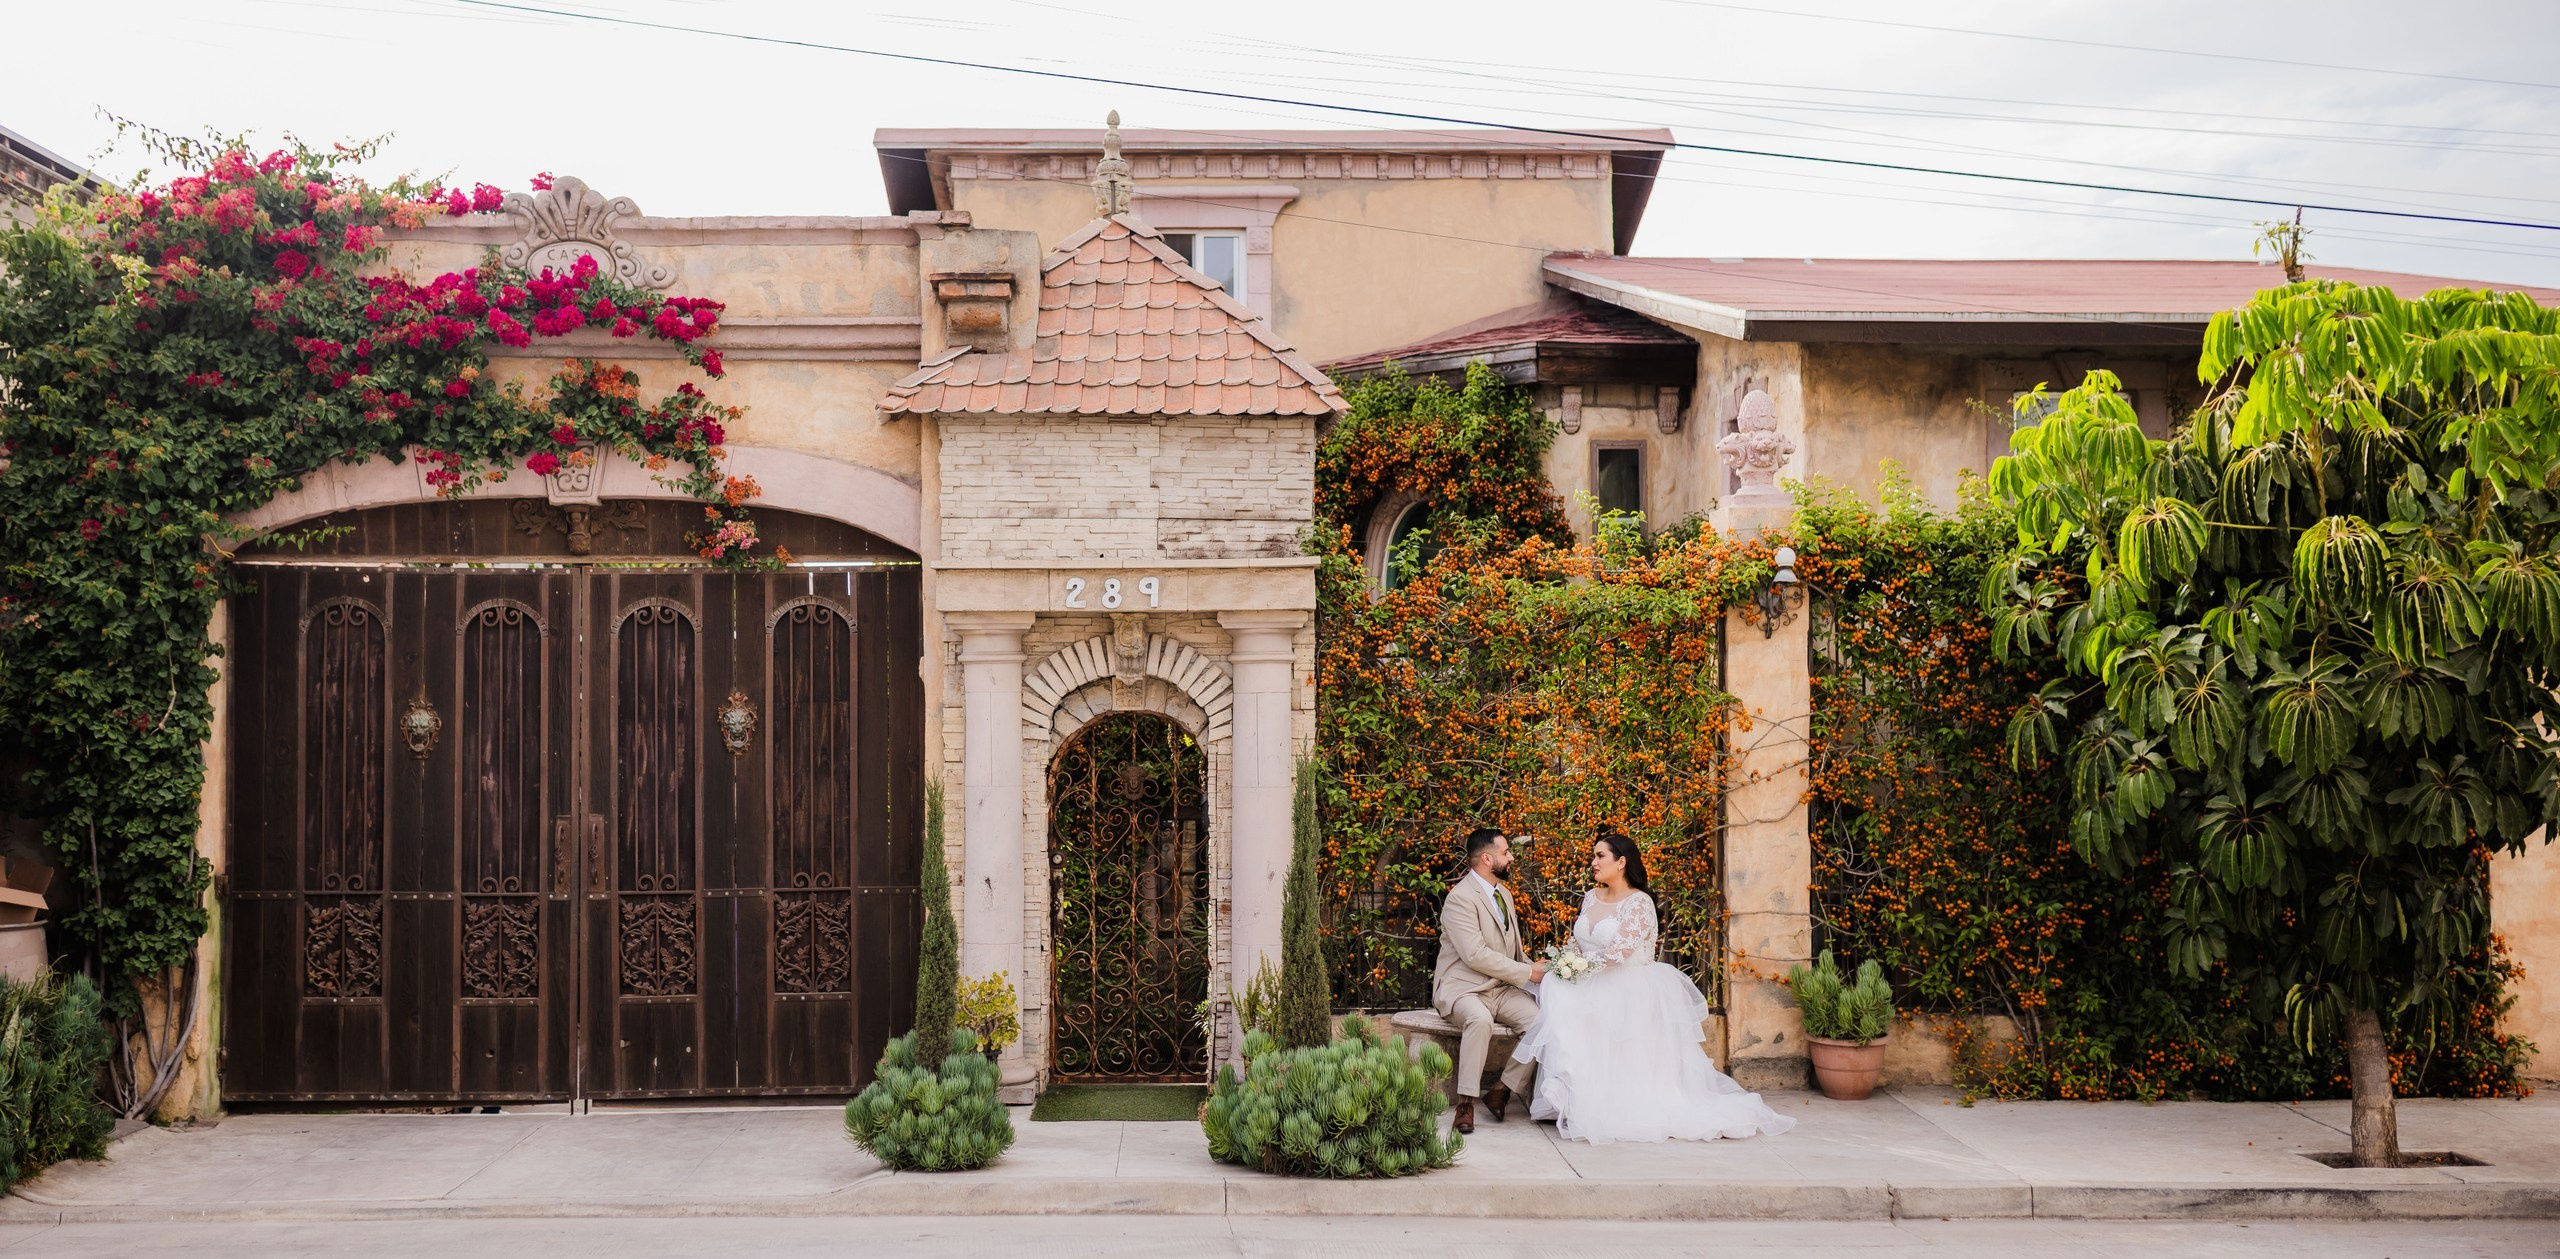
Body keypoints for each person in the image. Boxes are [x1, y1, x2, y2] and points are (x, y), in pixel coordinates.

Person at [1511, 830, 1797, 1144]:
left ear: (1621, 862)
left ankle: (1605, 1106)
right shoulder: (1591, 897)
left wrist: (1575, 967)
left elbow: (1618, 953)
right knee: (1560, 997)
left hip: (1628, 987)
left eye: (1600, 855)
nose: (1593, 862)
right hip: (1591, 981)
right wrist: (1566, 960)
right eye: (1593, 856)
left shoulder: (1640, 903)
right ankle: (1571, 1101)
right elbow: (1578, 943)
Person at [1431, 827, 1542, 1135]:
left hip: (1500, 988)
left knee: (1542, 1021)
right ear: (1486, 858)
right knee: (1479, 1020)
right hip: (1463, 987)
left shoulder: (1504, 894)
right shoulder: (1460, 899)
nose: (1511, 857)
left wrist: (1539, 968)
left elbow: (1513, 951)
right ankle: (1466, 1104)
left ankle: (1503, 1089)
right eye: (1506, 853)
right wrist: (1525, 973)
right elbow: (1475, 955)